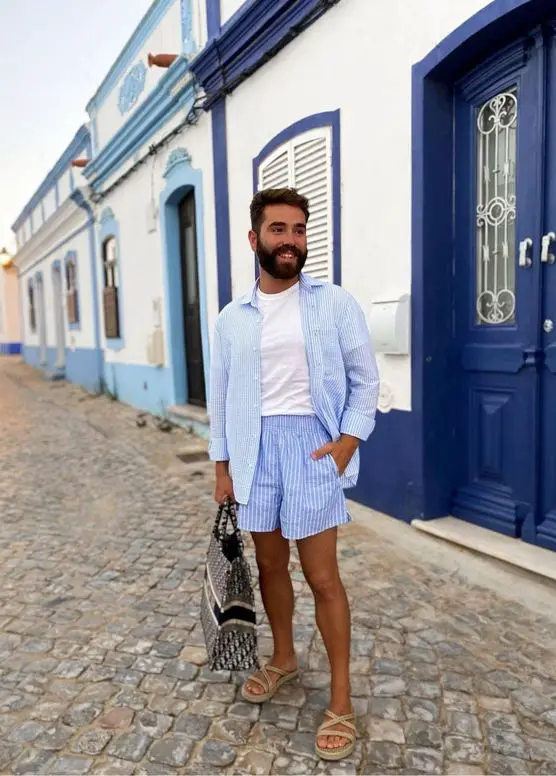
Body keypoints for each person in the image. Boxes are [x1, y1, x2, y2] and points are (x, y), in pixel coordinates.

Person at [208, 187, 379, 761]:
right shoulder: (232, 319)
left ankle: (341, 699)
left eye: (299, 229)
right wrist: (222, 466)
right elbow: (220, 397)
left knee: (323, 576)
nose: (290, 240)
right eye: (278, 229)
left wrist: (348, 442)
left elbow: (365, 378)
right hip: (254, 451)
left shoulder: (334, 303)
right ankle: (283, 658)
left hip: (312, 448)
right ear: (254, 238)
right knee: (269, 564)